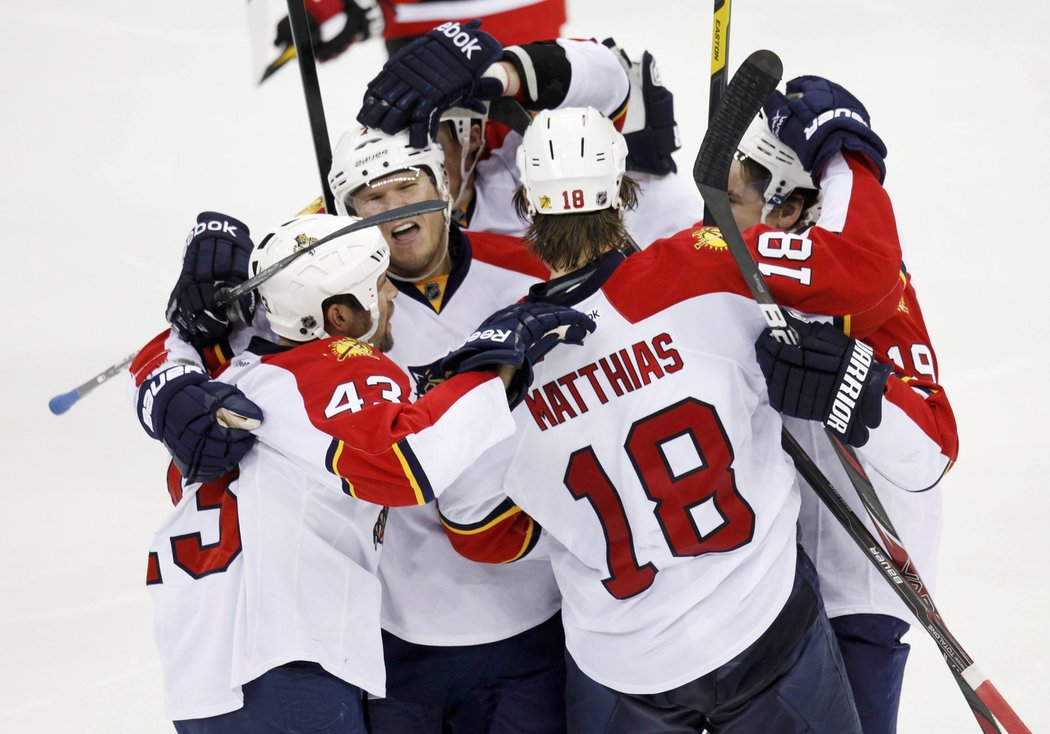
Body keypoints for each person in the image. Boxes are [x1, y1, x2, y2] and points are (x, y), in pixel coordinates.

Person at [432, 104, 869, 733]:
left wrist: (570, 521)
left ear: (526, 202)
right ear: (622, 190)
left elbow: (476, 530)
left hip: (622, 663)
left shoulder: (498, 362)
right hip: (762, 621)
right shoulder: (708, 269)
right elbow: (845, 290)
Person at [137, 212, 594, 732]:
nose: (393, 296)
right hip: (285, 663)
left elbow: (384, 408)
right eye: (379, 286)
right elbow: (409, 462)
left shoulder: (240, 379)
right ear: (337, 317)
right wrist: (497, 363)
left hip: (202, 675)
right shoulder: (331, 367)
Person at [736, 76, 959, 734]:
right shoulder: (738, 256)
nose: (712, 211)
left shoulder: (868, 296)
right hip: (755, 587)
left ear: (786, 209)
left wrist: (856, 387)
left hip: (854, 587)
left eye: (735, 196)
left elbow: (935, 446)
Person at [356, 22, 703, 245]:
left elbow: (608, 75)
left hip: (698, 272)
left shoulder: (535, 144)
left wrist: (501, 74)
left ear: (470, 137)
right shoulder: (391, 222)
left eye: (427, 145)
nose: (406, 188)